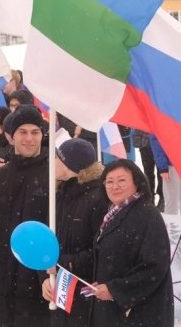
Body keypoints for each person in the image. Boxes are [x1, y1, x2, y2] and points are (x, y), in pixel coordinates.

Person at [0, 104, 51, 325]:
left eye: (35, 132)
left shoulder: (54, 176)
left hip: (39, 281)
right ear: (11, 136)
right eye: (23, 132)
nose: (29, 138)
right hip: (2, 281)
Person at [88, 159, 173, 326]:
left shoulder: (147, 215)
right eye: (109, 181)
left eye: (121, 180)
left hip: (140, 312)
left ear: (136, 183)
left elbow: (155, 265)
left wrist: (116, 289)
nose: (114, 186)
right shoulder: (112, 214)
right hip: (114, 311)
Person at [41, 138, 109, 327]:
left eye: (56, 157)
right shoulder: (59, 195)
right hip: (60, 296)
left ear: (69, 164)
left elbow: (100, 252)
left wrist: (62, 265)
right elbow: (47, 243)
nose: (51, 160)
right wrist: (46, 278)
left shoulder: (99, 199)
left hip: (87, 297)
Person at [150, 135, 181, 228]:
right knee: (172, 203)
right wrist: (162, 166)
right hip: (171, 165)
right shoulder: (162, 120)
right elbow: (155, 138)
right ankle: (171, 235)